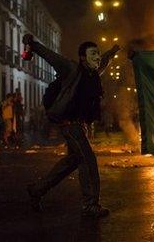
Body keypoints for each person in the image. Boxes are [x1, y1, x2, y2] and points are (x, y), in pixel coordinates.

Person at [24, 33, 119, 218]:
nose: (97, 57)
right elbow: (51, 56)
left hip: (78, 125)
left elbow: (104, 61)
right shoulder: (72, 69)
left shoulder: (92, 73)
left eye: (97, 53)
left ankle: (37, 190)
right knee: (88, 160)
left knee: (72, 161)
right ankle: (90, 204)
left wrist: (113, 51)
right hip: (69, 124)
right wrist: (34, 45)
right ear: (82, 58)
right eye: (93, 54)